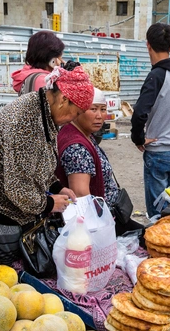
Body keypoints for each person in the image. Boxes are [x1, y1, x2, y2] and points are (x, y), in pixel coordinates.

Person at [0, 64, 92, 262]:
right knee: (6, 271)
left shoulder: (44, 110)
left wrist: (57, 187)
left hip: (5, 207)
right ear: (64, 99)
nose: (75, 119)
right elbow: (17, 189)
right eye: (77, 112)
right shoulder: (25, 122)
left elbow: (39, 161)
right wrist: (49, 204)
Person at [55, 88, 143, 236]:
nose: (99, 116)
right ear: (77, 111)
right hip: (100, 222)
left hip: (110, 214)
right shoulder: (77, 147)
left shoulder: (83, 134)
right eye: (93, 109)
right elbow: (81, 194)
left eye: (103, 109)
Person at [131, 23, 170, 218]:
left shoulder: (157, 76)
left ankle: (162, 245)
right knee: (169, 205)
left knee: (158, 213)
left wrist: (138, 138)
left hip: (159, 151)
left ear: (147, 45)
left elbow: (140, 112)